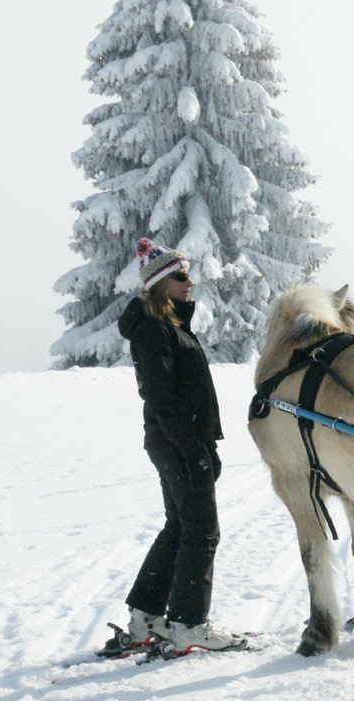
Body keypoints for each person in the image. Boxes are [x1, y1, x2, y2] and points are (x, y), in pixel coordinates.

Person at [113, 237, 244, 653]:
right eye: (182, 277)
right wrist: (193, 452)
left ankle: (146, 617)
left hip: (178, 442)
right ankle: (188, 624)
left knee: (180, 527)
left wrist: (201, 445)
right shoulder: (155, 331)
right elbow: (161, 397)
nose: (191, 283)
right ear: (162, 283)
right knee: (202, 531)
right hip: (176, 443)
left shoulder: (169, 327)